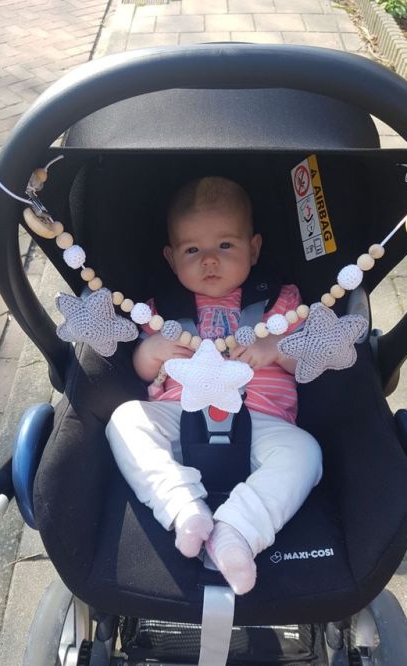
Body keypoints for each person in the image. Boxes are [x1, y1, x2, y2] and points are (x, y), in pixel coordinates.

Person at [106, 177, 322, 595]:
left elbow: (310, 359)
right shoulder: (158, 311)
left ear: (253, 248)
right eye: (192, 250)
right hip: (179, 416)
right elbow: (142, 371)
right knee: (125, 420)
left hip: (262, 419)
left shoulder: (282, 301)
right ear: (171, 259)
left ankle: (237, 530)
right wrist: (152, 350)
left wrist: (277, 347)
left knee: (306, 454)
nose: (209, 261)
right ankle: (181, 505)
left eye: (225, 246)